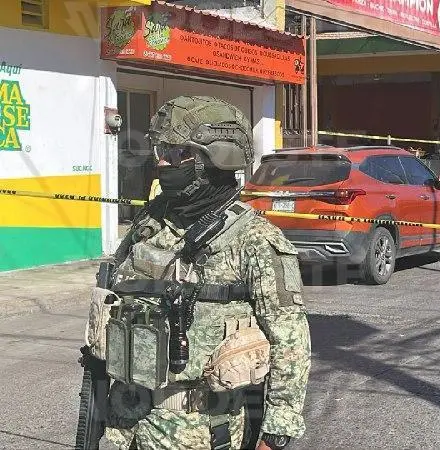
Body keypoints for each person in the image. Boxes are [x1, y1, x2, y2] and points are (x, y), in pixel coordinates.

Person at [85, 95, 311, 450]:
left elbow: (290, 338)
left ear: (215, 159)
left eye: (176, 153)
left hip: (204, 432)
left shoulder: (254, 240)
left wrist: (276, 431)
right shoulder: (150, 221)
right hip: (126, 424)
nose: (162, 161)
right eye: (161, 150)